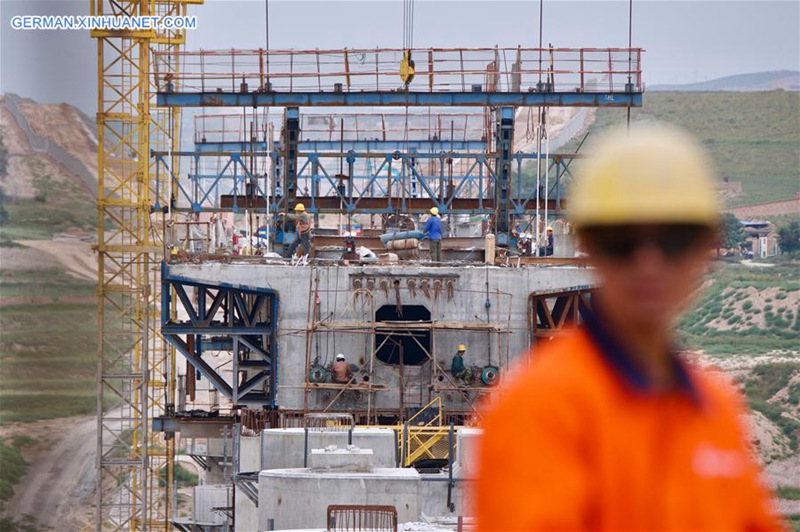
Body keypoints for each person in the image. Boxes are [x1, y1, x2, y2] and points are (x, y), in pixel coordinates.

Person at [475, 124, 781, 531]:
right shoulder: (540, 407)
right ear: (589, 245)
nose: (647, 264)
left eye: (673, 241)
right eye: (622, 241)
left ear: (705, 248)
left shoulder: (713, 409)